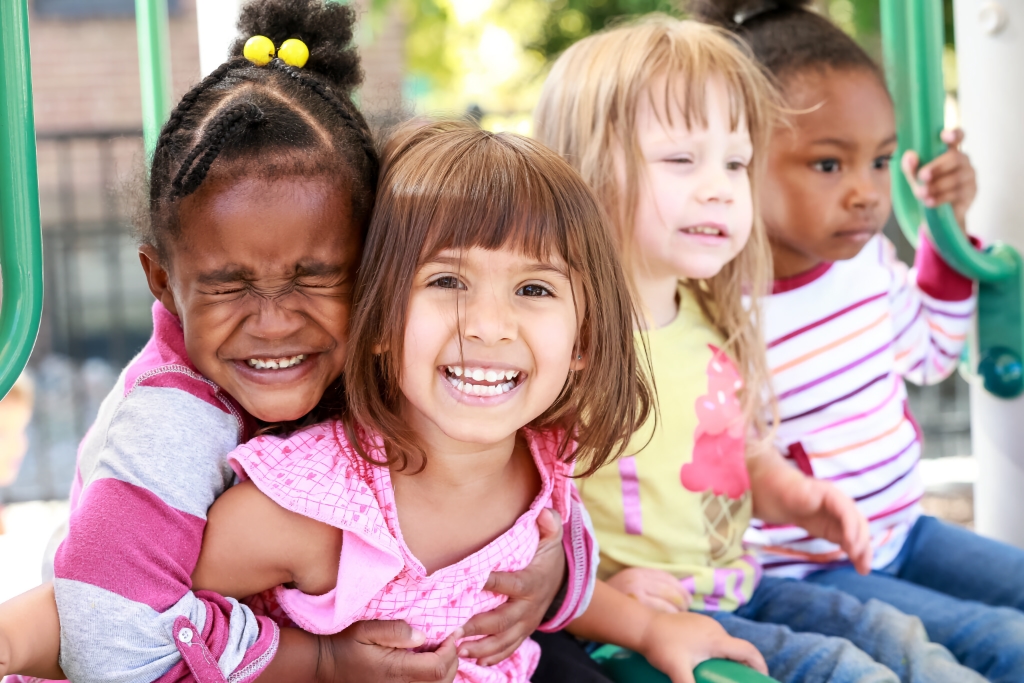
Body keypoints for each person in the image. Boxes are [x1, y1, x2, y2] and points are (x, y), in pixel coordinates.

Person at [0, 3, 567, 681]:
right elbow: (107, 642)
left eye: (314, 277)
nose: (272, 322)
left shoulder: (395, 356)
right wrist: (318, 660)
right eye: (228, 285)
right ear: (163, 282)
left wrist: (551, 571)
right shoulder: (170, 425)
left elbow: (511, 487)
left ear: (374, 267)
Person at [181, 119, 768, 683]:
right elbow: (166, 621)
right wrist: (316, 664)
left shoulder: (545, 458)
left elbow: (526, 583)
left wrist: (649, 629)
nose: (489, 326)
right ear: (377, 318)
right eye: (447, 281)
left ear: (583, 339)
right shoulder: (312, 509)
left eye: (533, 288)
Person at [534, 14, 983, 683]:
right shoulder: (565, 345)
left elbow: (734, 452)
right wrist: (598, 594)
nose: (719, 186)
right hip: (642, 623)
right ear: (586, 170)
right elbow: (524, 529)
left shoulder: (706, 315)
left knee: (904, 642)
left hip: (740, 587)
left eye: (736, 163)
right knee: (850, 670)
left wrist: (796, 496)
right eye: (681, 160)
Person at [690, 2, 1024, 682]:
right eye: (828, 164)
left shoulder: (865, 264)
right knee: (1003, 641)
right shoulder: (713, 310)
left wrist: (945, 226)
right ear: (738, 159)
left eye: (878, 161)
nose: (867, 193)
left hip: (909, 532)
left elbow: (930, 353)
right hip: (811, 569)